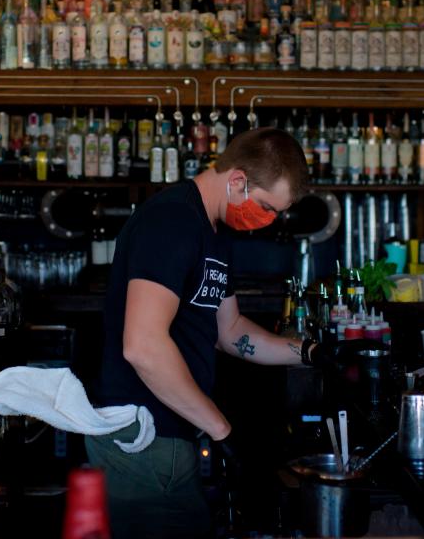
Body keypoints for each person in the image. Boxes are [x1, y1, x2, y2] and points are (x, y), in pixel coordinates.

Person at [85, 127, 319, 539]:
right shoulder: (172, 221)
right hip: (141, 437)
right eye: (266, 206)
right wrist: (223, 430)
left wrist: (312, 351)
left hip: (173, 436)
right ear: (237, 180)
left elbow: (229, 330)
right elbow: (143, 346)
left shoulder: (214, 232)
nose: (267, 220)